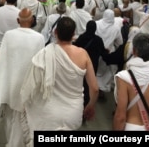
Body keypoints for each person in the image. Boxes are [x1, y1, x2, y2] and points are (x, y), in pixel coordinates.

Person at [20, 17, 99, 145]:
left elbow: (32, 84)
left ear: (55, 32)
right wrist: (90, 106)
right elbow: (95, 88)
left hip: (48, 111)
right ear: (74, 35)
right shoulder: (83, 54)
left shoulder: (45, 53)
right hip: (73, 112)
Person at [0, 8, 45, 147]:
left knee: (9, 117)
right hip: (28, 86)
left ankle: (11, 143)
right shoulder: (39, 38)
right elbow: (40, 65)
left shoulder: (9, 35)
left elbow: (2, 60)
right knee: (23, 120)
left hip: (9, 84)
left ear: (18, 21)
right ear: (32, 20)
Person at [74, 20, 108, 106]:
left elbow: (76, 48)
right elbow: (103, 53)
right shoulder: (98, 40)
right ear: (95, 29)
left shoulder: (81, 37)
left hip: (81, 63)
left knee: (79, 81)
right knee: (88, 84)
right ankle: (86, 101)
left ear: (86, 27)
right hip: (92, 65)